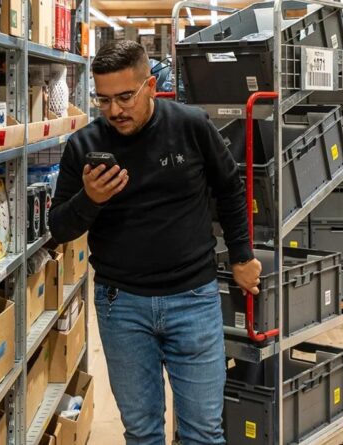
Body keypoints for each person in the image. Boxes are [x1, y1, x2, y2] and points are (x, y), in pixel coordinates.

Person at [48, 40, 262, 445]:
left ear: (150, 85)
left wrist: (241, 255)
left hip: (194, 299)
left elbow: (231, 186)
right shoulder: (84, 147)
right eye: (104, 99)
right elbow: (59, 228)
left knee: (203, 432)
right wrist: (89, 200)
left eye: (125, 97)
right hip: (121, 306)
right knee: (143, 433)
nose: (114, 111)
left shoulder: (190, 126)